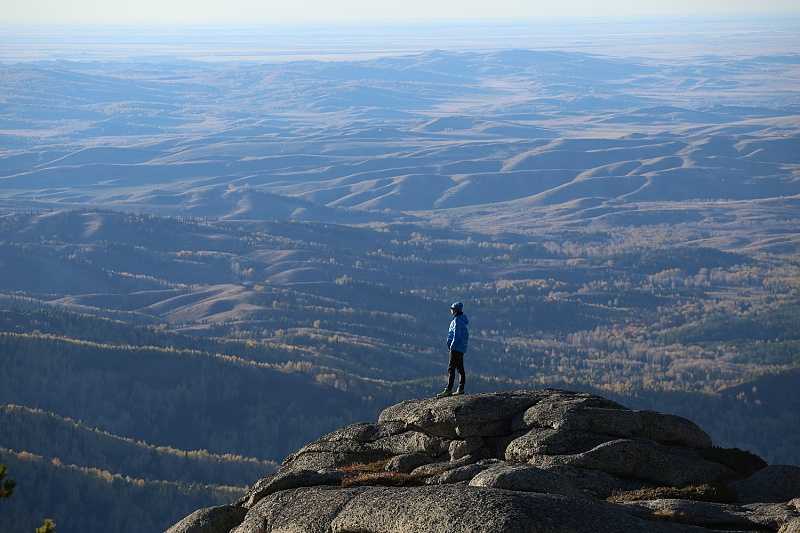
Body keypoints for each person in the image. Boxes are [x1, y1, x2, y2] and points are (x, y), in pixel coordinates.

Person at [438, 301, 469, 397]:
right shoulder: (462, 320)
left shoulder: (457, 321)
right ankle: (461, 388)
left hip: (455, 348)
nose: (451, 310)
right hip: (461, 348)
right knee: (460, 368)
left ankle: (448, 390)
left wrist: (452, 346)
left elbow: (456, 335)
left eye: (452, 309)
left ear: (455, 310)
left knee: (451, 368)